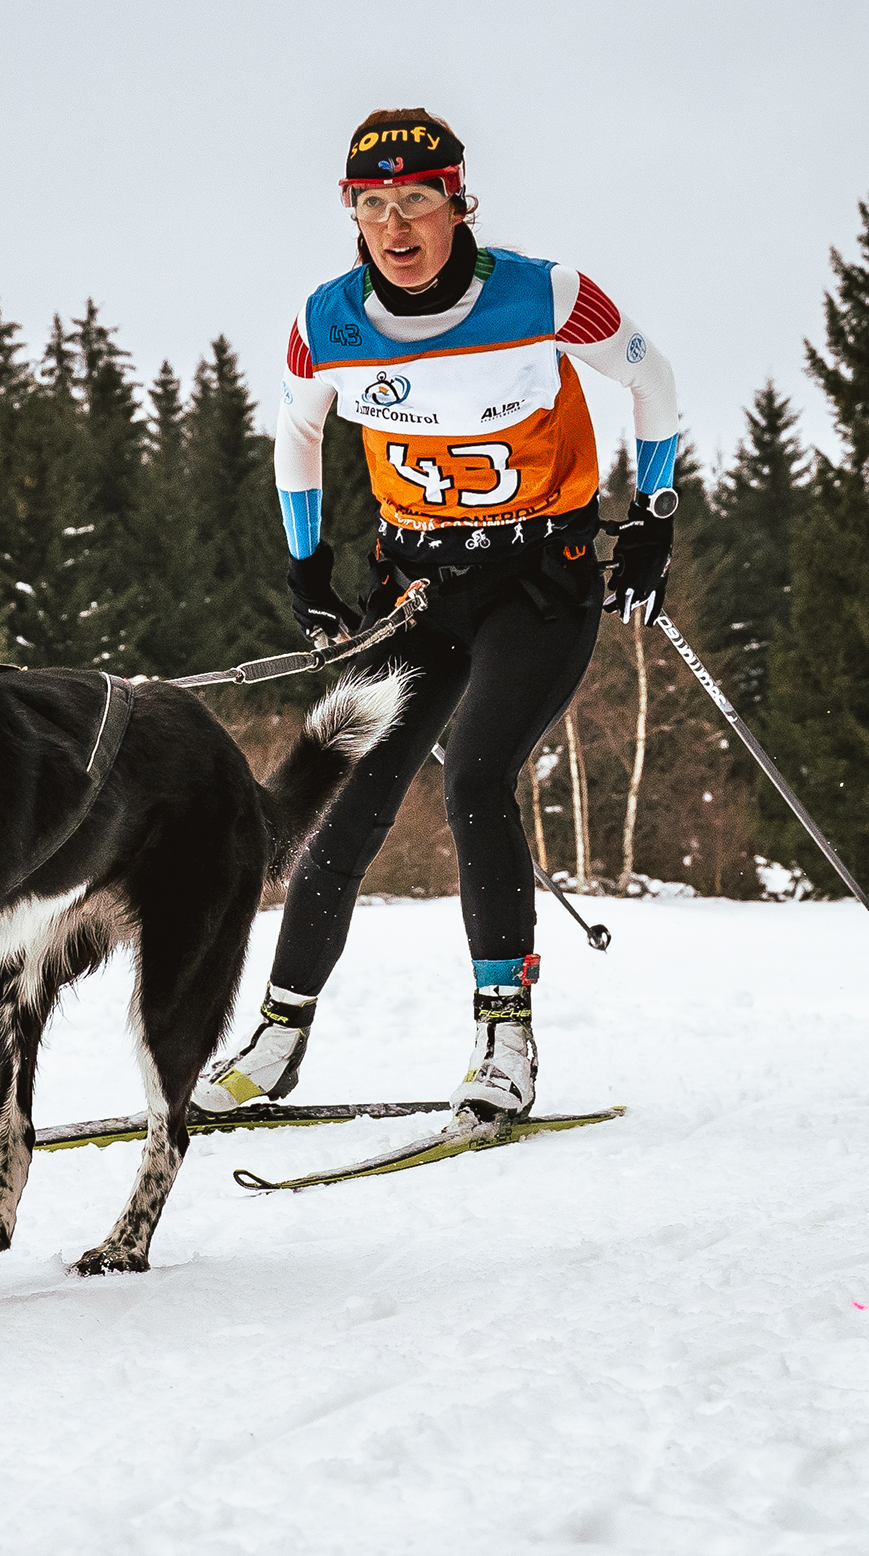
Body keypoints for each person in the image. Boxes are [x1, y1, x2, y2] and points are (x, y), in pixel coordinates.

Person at [197, 105, 682, 1125]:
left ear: (460, 202)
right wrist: (305, 565)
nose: (397, 226)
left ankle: (504, 1035)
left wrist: (652, 516)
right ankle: (278, 1038)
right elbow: (297, 435)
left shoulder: (543, 293)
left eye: (417, 200)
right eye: (373, 206)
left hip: (540, 581)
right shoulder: (326, 321)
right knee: (347, 794)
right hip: (417, 586)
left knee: (474, 777)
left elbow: (653, 378)